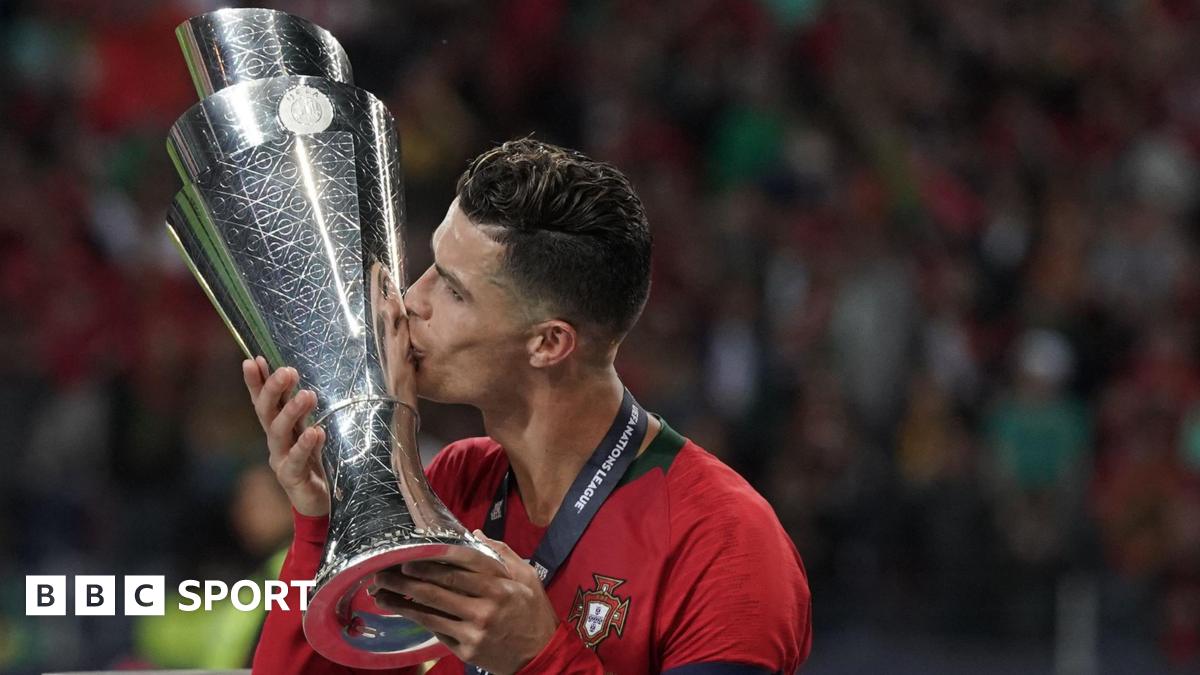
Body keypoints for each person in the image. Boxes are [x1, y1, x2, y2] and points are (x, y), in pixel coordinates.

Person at [245, 138, 812, 674]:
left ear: (548, 343)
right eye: (429, 266)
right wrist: (329, 518)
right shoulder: (452, 485)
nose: (410, 300)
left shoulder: (725, 543)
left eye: (452, 289)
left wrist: (538, 656)